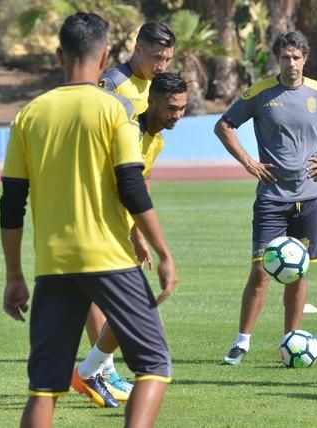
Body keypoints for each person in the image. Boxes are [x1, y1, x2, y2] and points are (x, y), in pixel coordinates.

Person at [0, 12, 177, 426]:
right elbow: (131, 186)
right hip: (109, 259)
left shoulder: (28, 115)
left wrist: (14, 274)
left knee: (43, 389)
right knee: (154, 366)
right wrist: (163, 252)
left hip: (53, 264)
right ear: (103, 60)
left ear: (60, 55)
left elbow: (11, 204)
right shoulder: (114, 109)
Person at [214, 30, 317, 366]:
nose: (291, 63)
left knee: (299, 271)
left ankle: (290, 341)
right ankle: (241, 342)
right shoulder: (261, 93)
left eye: (296, 57)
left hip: (310, 197)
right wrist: (248, 162)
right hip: (272, 198)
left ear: (305, 59)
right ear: (277, 59)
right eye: (285, 57)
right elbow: (224, 125)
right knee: (260, 271)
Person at [71, 72, 187, 406]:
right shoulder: (128, 133)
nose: (177, 115)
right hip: (98, 231)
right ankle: (92, 371)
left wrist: (138, 235)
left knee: (133, 311)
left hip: (118, 234)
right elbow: (122, 186)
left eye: (182, 108)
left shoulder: (156, 140)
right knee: (135, 311)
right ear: (151, 101)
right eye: (171, 108)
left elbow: (143, 183)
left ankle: (92, 371)